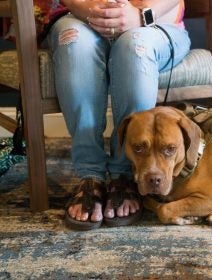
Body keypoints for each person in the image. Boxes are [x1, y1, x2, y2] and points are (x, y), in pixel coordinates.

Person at [46, 0, 190, 230]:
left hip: (157, 23)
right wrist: (87, 11)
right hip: (80, 17)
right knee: (74, 41)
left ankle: (125, 175)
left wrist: (143, 16)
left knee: (134, 45)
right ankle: (89, 176)